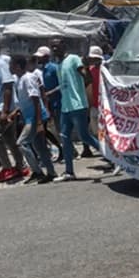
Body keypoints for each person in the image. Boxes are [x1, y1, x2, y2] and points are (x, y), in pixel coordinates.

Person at [0, 36, 27, 183]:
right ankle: (21, 166)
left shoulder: (0, 63)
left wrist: (5, 111)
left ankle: (7, 167)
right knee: (10, 139)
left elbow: (8, 85)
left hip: (0, 109)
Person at [55, 47, 101, 182]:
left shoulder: (73, 59)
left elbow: (87, 77)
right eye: (52, 46)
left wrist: (85, 69)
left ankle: (114, 159)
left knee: (84, 136)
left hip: (78, 104)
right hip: (66, 106)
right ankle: (69, 172)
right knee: (64, 137)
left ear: (63, 45)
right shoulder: (59, 65)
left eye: (56, 46)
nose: (54, 49)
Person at [9, 56, 56, 184]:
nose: (9, 67)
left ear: (18, 66)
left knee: (22, 143)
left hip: (35, 118)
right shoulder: (20, 80)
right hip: (30, 117)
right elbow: (25, 101)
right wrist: (15, 112)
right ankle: (51, 173)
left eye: (11, 65)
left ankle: (37, 172)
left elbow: (36, 99)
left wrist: (39, 122)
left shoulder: (28, 78)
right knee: (40, 147)